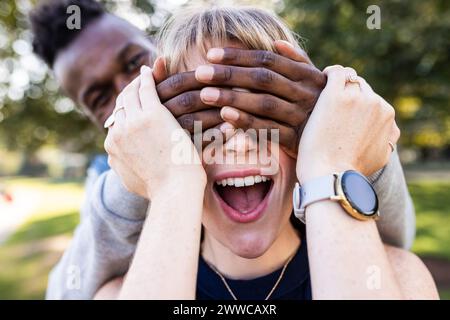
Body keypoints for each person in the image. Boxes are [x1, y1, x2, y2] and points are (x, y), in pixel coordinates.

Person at [29, 0, 415, 299]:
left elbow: (397, 232)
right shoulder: (110, 214)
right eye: (100, 96)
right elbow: (64, 289)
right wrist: (168, 179)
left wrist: (336, 147)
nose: (136, 97)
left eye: (135, 64)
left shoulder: (399, 275)